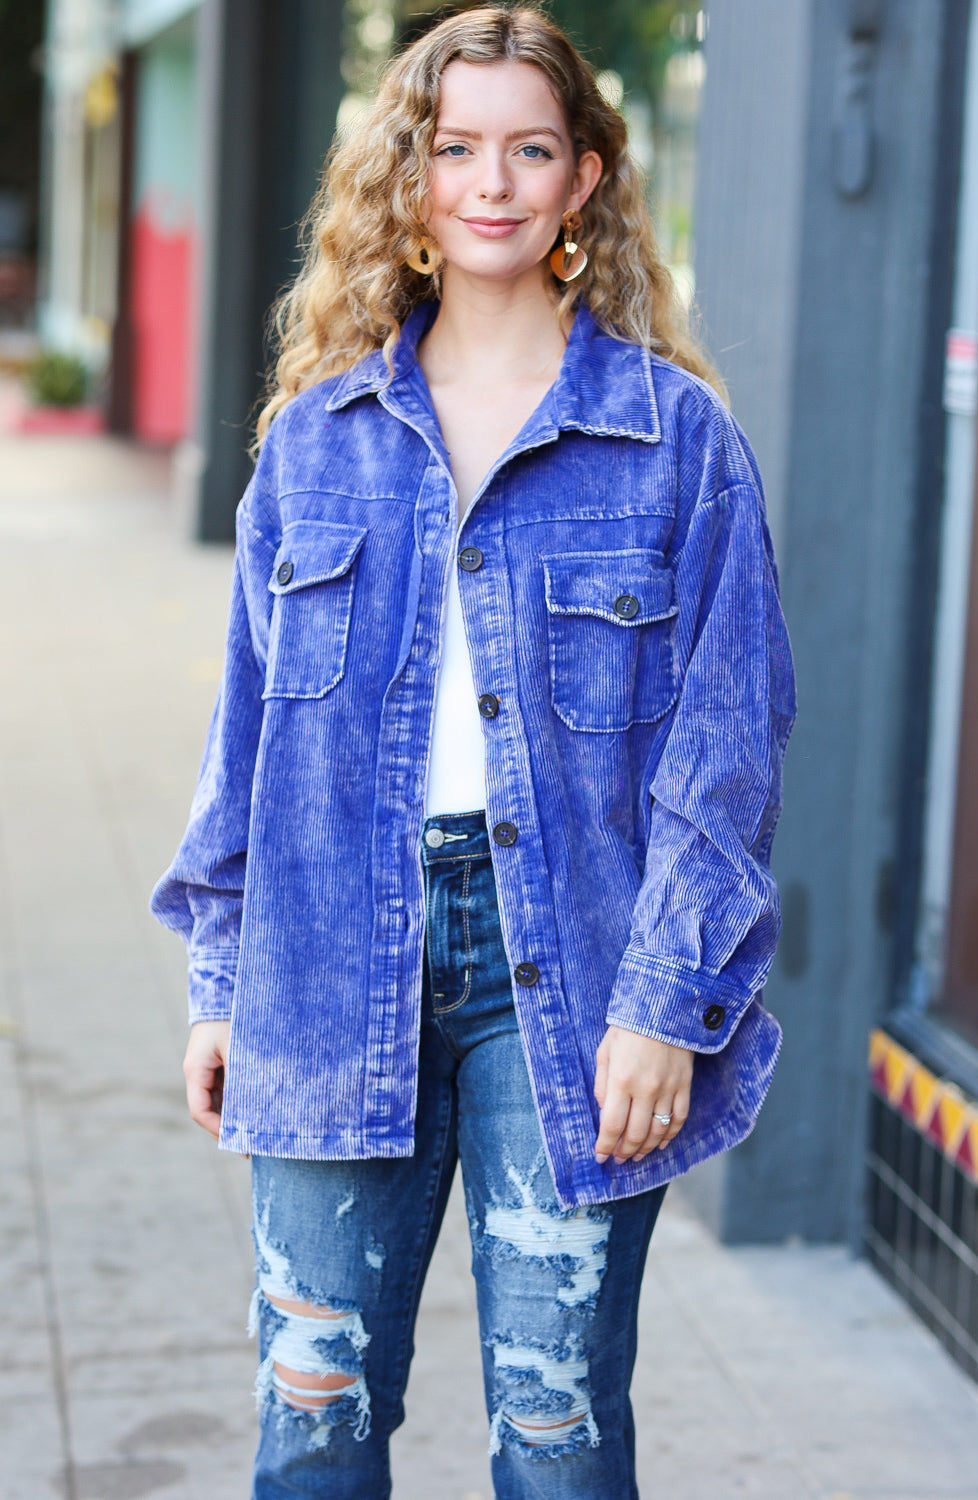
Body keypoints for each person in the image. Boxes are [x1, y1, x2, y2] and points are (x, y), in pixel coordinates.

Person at [151, 6, 795, 1497]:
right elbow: (246, 739)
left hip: (571, 972)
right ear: (411, 173)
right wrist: (218, 983)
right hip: (323, 966)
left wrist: (666, 1003)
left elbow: (727, 752)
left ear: (584, 179)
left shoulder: (675, 440)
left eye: (531, 149)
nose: (491, 183)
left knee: (558, 1438)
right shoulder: (317, 438)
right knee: (313, 1425)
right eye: (455, 148)